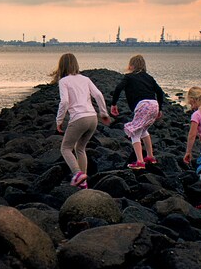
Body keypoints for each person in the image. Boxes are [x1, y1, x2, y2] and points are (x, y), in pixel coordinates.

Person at [51, 53, 111, 188]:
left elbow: (64, 102)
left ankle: (77, 173)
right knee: (80, 148)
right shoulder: (85, 79)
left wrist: (59, 120)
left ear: (62, 66)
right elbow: (98, 95)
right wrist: (103, 113)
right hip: (92, 118)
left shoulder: (64, 81)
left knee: (65, 148)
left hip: (79, 118)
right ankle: (83, 183)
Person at [110, 54, 166, 169]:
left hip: (143, 106)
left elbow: (118, 88)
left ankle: (140, 162)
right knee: (143, 129)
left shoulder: (129, 77)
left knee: (135, 133)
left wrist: (114, 103)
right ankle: (150, 156)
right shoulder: (149, 77)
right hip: (154, 105)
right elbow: (160, 92)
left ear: (131, 66)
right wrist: (160, 108)